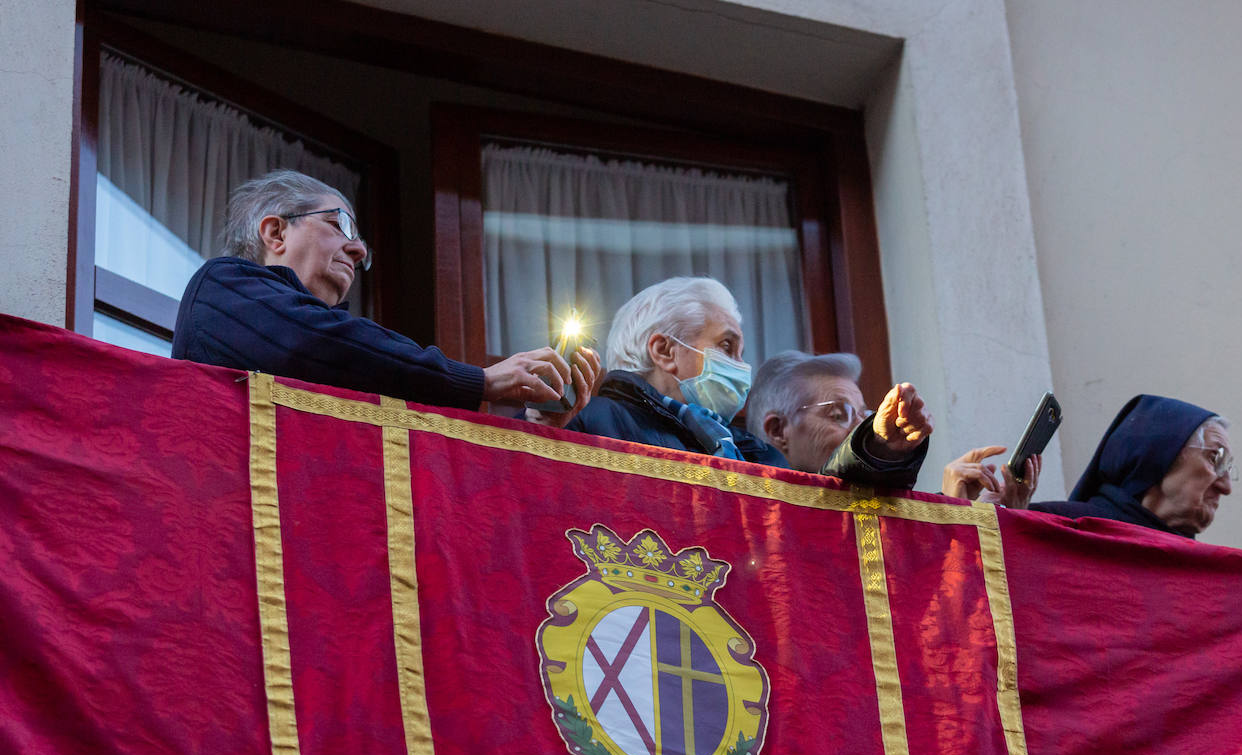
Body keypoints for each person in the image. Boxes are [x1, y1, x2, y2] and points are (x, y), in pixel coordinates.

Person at [172, 170, 597, 421]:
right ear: (276, 232)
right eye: (342, 226)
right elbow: (320, 342)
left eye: (361, 244)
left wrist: (537, 422)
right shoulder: (220, 285)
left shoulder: (355, 359)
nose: (358, 251)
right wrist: (483, 381)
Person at [569, 279, 931, 487]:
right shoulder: (592, 424)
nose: (743, 367)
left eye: (741, 351)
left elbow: (815, 513)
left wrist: (879, 449)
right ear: (665, 351)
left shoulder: (753, 450)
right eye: (727, 346)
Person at [750, 350, 1039, 506]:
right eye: (839, 414)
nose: (859, 427)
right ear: (778, 430)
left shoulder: (877, 512)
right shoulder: (758, 516)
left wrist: (966, 511)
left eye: (864, 415)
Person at [1032, 394, 1234, 538]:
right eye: (1215, 458)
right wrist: (1007, 519)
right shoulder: (1049, 530)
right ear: (1158, 453)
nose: (1226, 487)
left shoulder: (1200, 572)